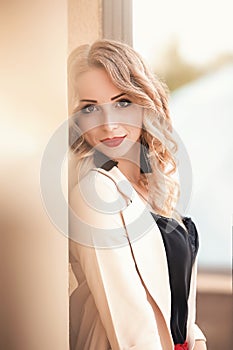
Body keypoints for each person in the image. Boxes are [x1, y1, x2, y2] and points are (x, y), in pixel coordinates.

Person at [68, 39, 207, 350]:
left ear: (146, 103)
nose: (109, 125)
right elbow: (129, 328)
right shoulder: (94, 194)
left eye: (122, 102)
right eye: (90, 108)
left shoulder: (159, 185)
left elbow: (176, 298)